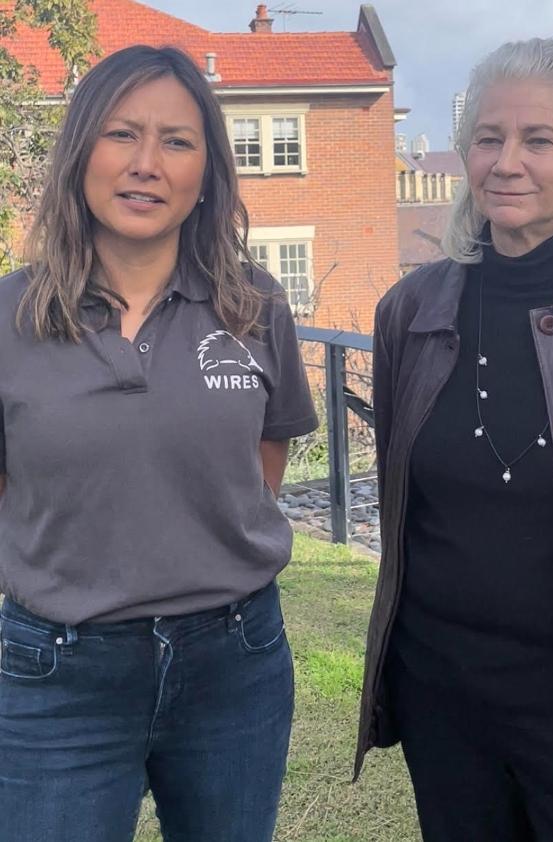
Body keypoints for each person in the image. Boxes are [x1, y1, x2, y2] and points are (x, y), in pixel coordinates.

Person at [0, 45, 318, 842]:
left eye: (177, 141)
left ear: (207, 171)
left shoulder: (255, 303)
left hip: (236, 662)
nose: (147, 164)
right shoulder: (10, 315)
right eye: (121, 134)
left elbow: (261, 464)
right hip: (57, 672)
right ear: (80, 154)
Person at [356, 38, 553, 841]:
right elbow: (403, 496)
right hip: (444, 702)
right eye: (488, 137)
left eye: (539, 139)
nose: (506, 162)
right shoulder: (410, 312)